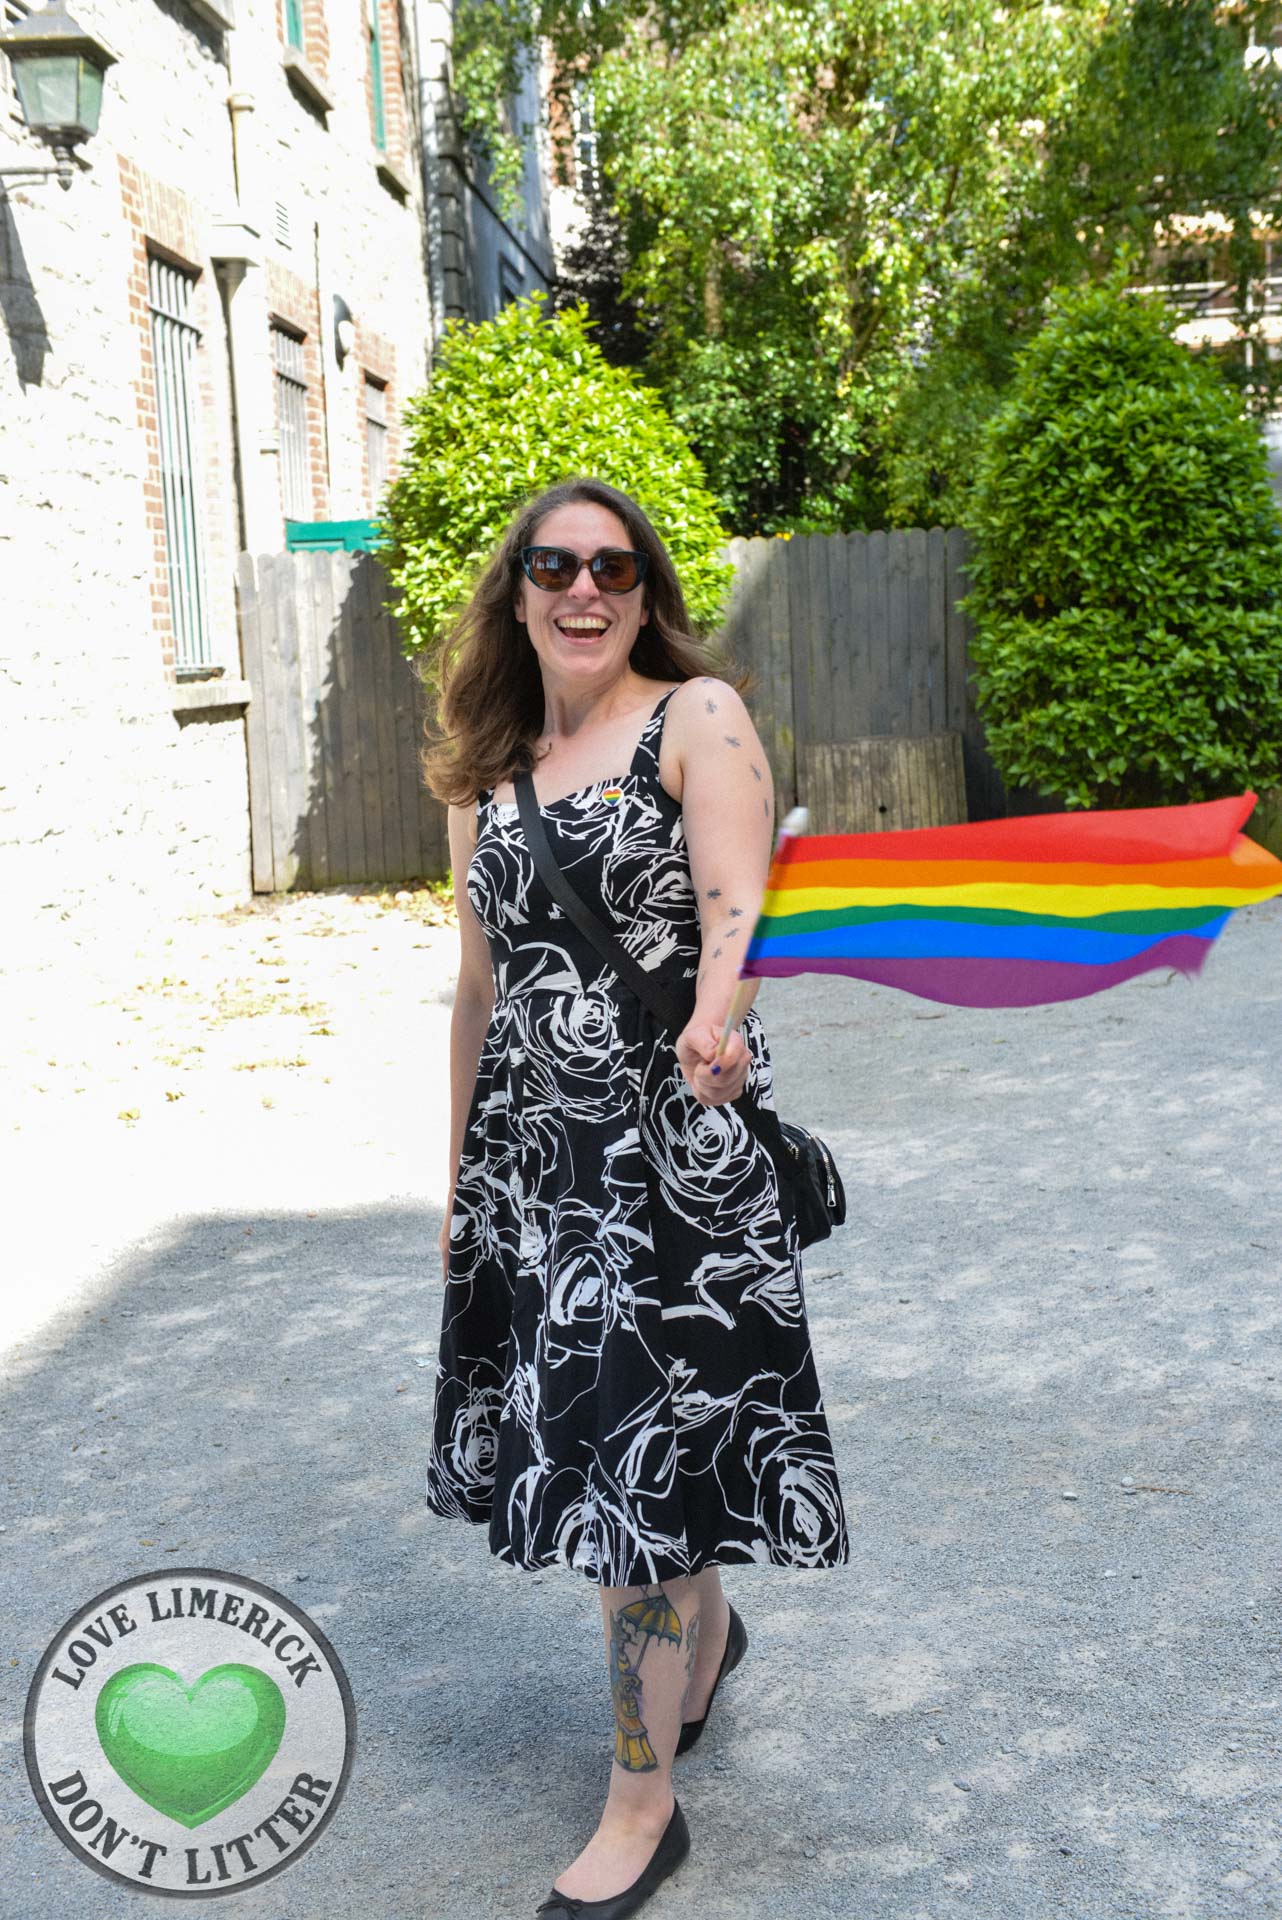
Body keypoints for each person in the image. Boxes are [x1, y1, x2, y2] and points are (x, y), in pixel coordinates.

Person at [423, 477, 849, 1918]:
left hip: (670, 1167)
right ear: (517, 593)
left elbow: (737, 906)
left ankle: (638, 1801)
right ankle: (703, 1644)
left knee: (630, 1491)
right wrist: (462, 1189)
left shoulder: (694, 716)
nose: (584, 590)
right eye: (554, 566)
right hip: (544, 1184)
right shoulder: (488, 777)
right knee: (641, 1462)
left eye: (613, 567)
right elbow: (478, 992)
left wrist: (719, 1020)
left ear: (646, 590)